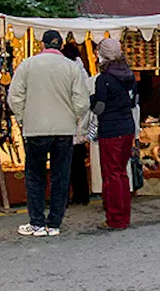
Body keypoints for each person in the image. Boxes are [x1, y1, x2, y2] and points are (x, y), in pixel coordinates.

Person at [8, 30, 89, 237]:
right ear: (61, 46)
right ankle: (54, 223)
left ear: (42, 45)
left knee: (35, 176)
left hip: (35, 129)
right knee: (60, 176)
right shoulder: (72, 67)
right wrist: (73, 117)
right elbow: (81, 102)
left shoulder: (27, 65)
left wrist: (23, 118)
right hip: (63, 129)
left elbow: (14, 97)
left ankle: (36, 222)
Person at [90, 38, 137, 230]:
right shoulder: (129, 75)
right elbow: (134, 102)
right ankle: (123, 215)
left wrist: (91, 99)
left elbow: (99, 108)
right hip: (127, 128)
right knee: (121, 173)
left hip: (110, 130)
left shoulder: (104, 79)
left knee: (112, 174)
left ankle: (116, 218)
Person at [62, 43, 90, 205]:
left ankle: (68, 196)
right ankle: (82, 195)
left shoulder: (69, 71)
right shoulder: (82, 70)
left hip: (69, 123)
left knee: (66, 164)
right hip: (80, 125)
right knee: (78, 162)